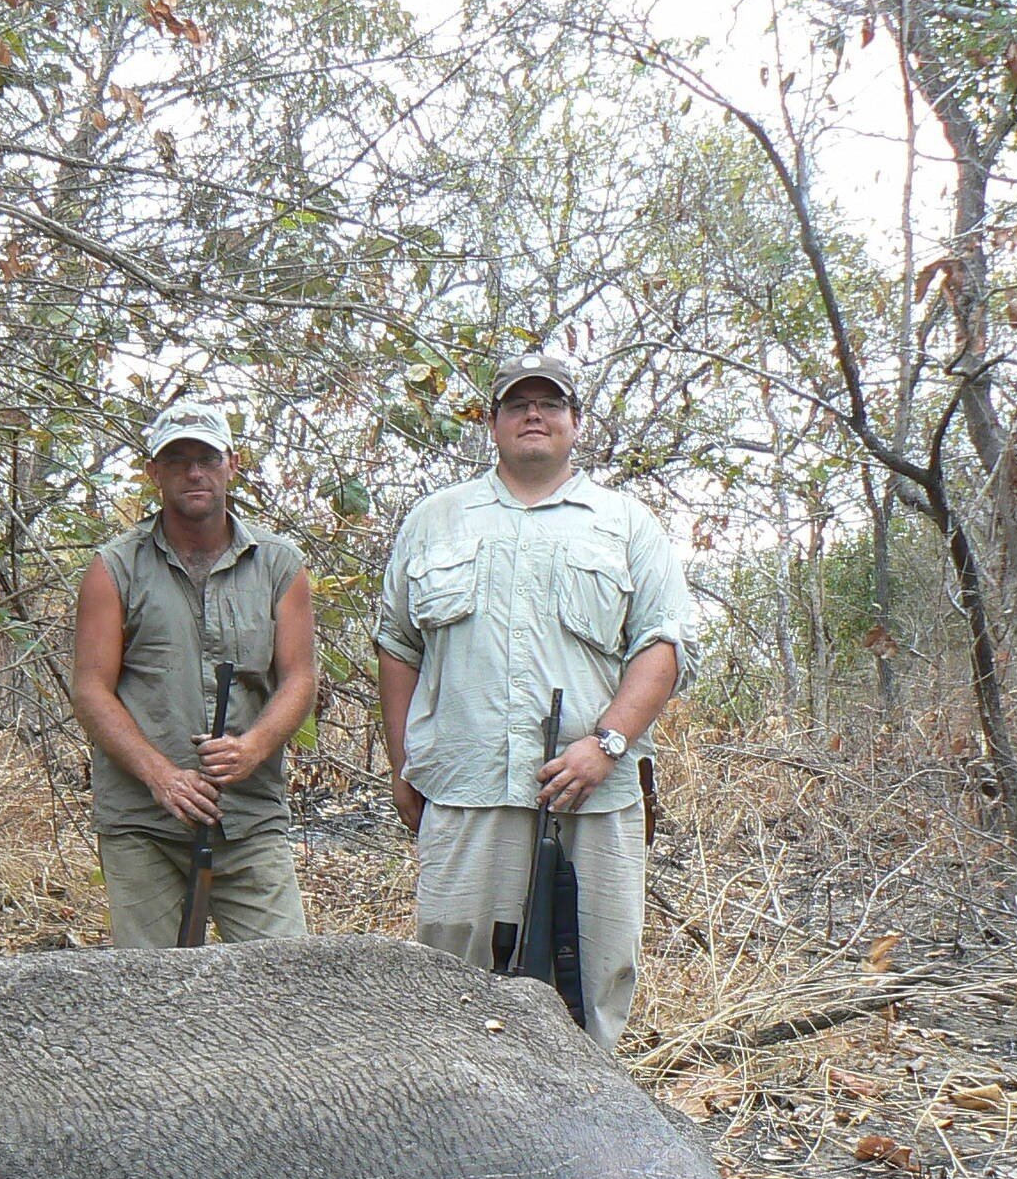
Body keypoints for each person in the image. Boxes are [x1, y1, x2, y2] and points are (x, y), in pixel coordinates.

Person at [373, 349, 694, 1051]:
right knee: (448, 983)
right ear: (492, 423)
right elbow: (398, 646)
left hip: (592, 796)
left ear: (576, 424)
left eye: (550, 404)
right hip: (464, 790)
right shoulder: (435, 520)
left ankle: (591, 1133)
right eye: (518, 403)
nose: (534, 415)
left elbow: (664, 646)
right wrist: (405, 764)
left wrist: (604, 745)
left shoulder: (625, 523)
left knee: (592, 980)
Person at [73, 401, 318, 948]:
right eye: (177, 460)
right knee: (152, 995)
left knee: (284, 981)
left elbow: (300, 678)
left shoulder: (280, 564)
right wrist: (162, 776)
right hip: (145, 823)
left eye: (206, 458)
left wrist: (253, 748)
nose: (193, 473)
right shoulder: (114, 567)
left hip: (249, 819)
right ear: (153, 472)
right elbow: (91, 688)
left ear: (231, 464)